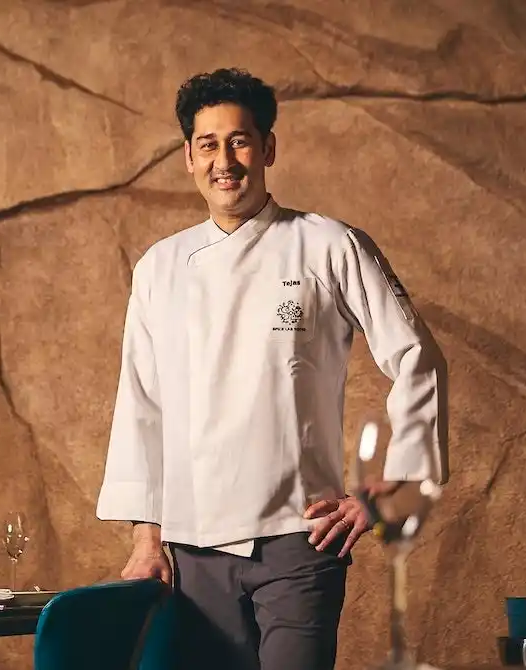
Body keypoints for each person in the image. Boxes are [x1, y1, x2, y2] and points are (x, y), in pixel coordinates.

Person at [95, 68, 449, 670]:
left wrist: (387, 490)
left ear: (268, 148)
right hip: (193, 549)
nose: (224, 160)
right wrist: (146, 538)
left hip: (299, 540)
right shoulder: (160, 267)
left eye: (240, 141)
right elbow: (142, 404)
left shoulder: (330, 245)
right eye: (208, 144)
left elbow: (419, 357)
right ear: (188, 157)